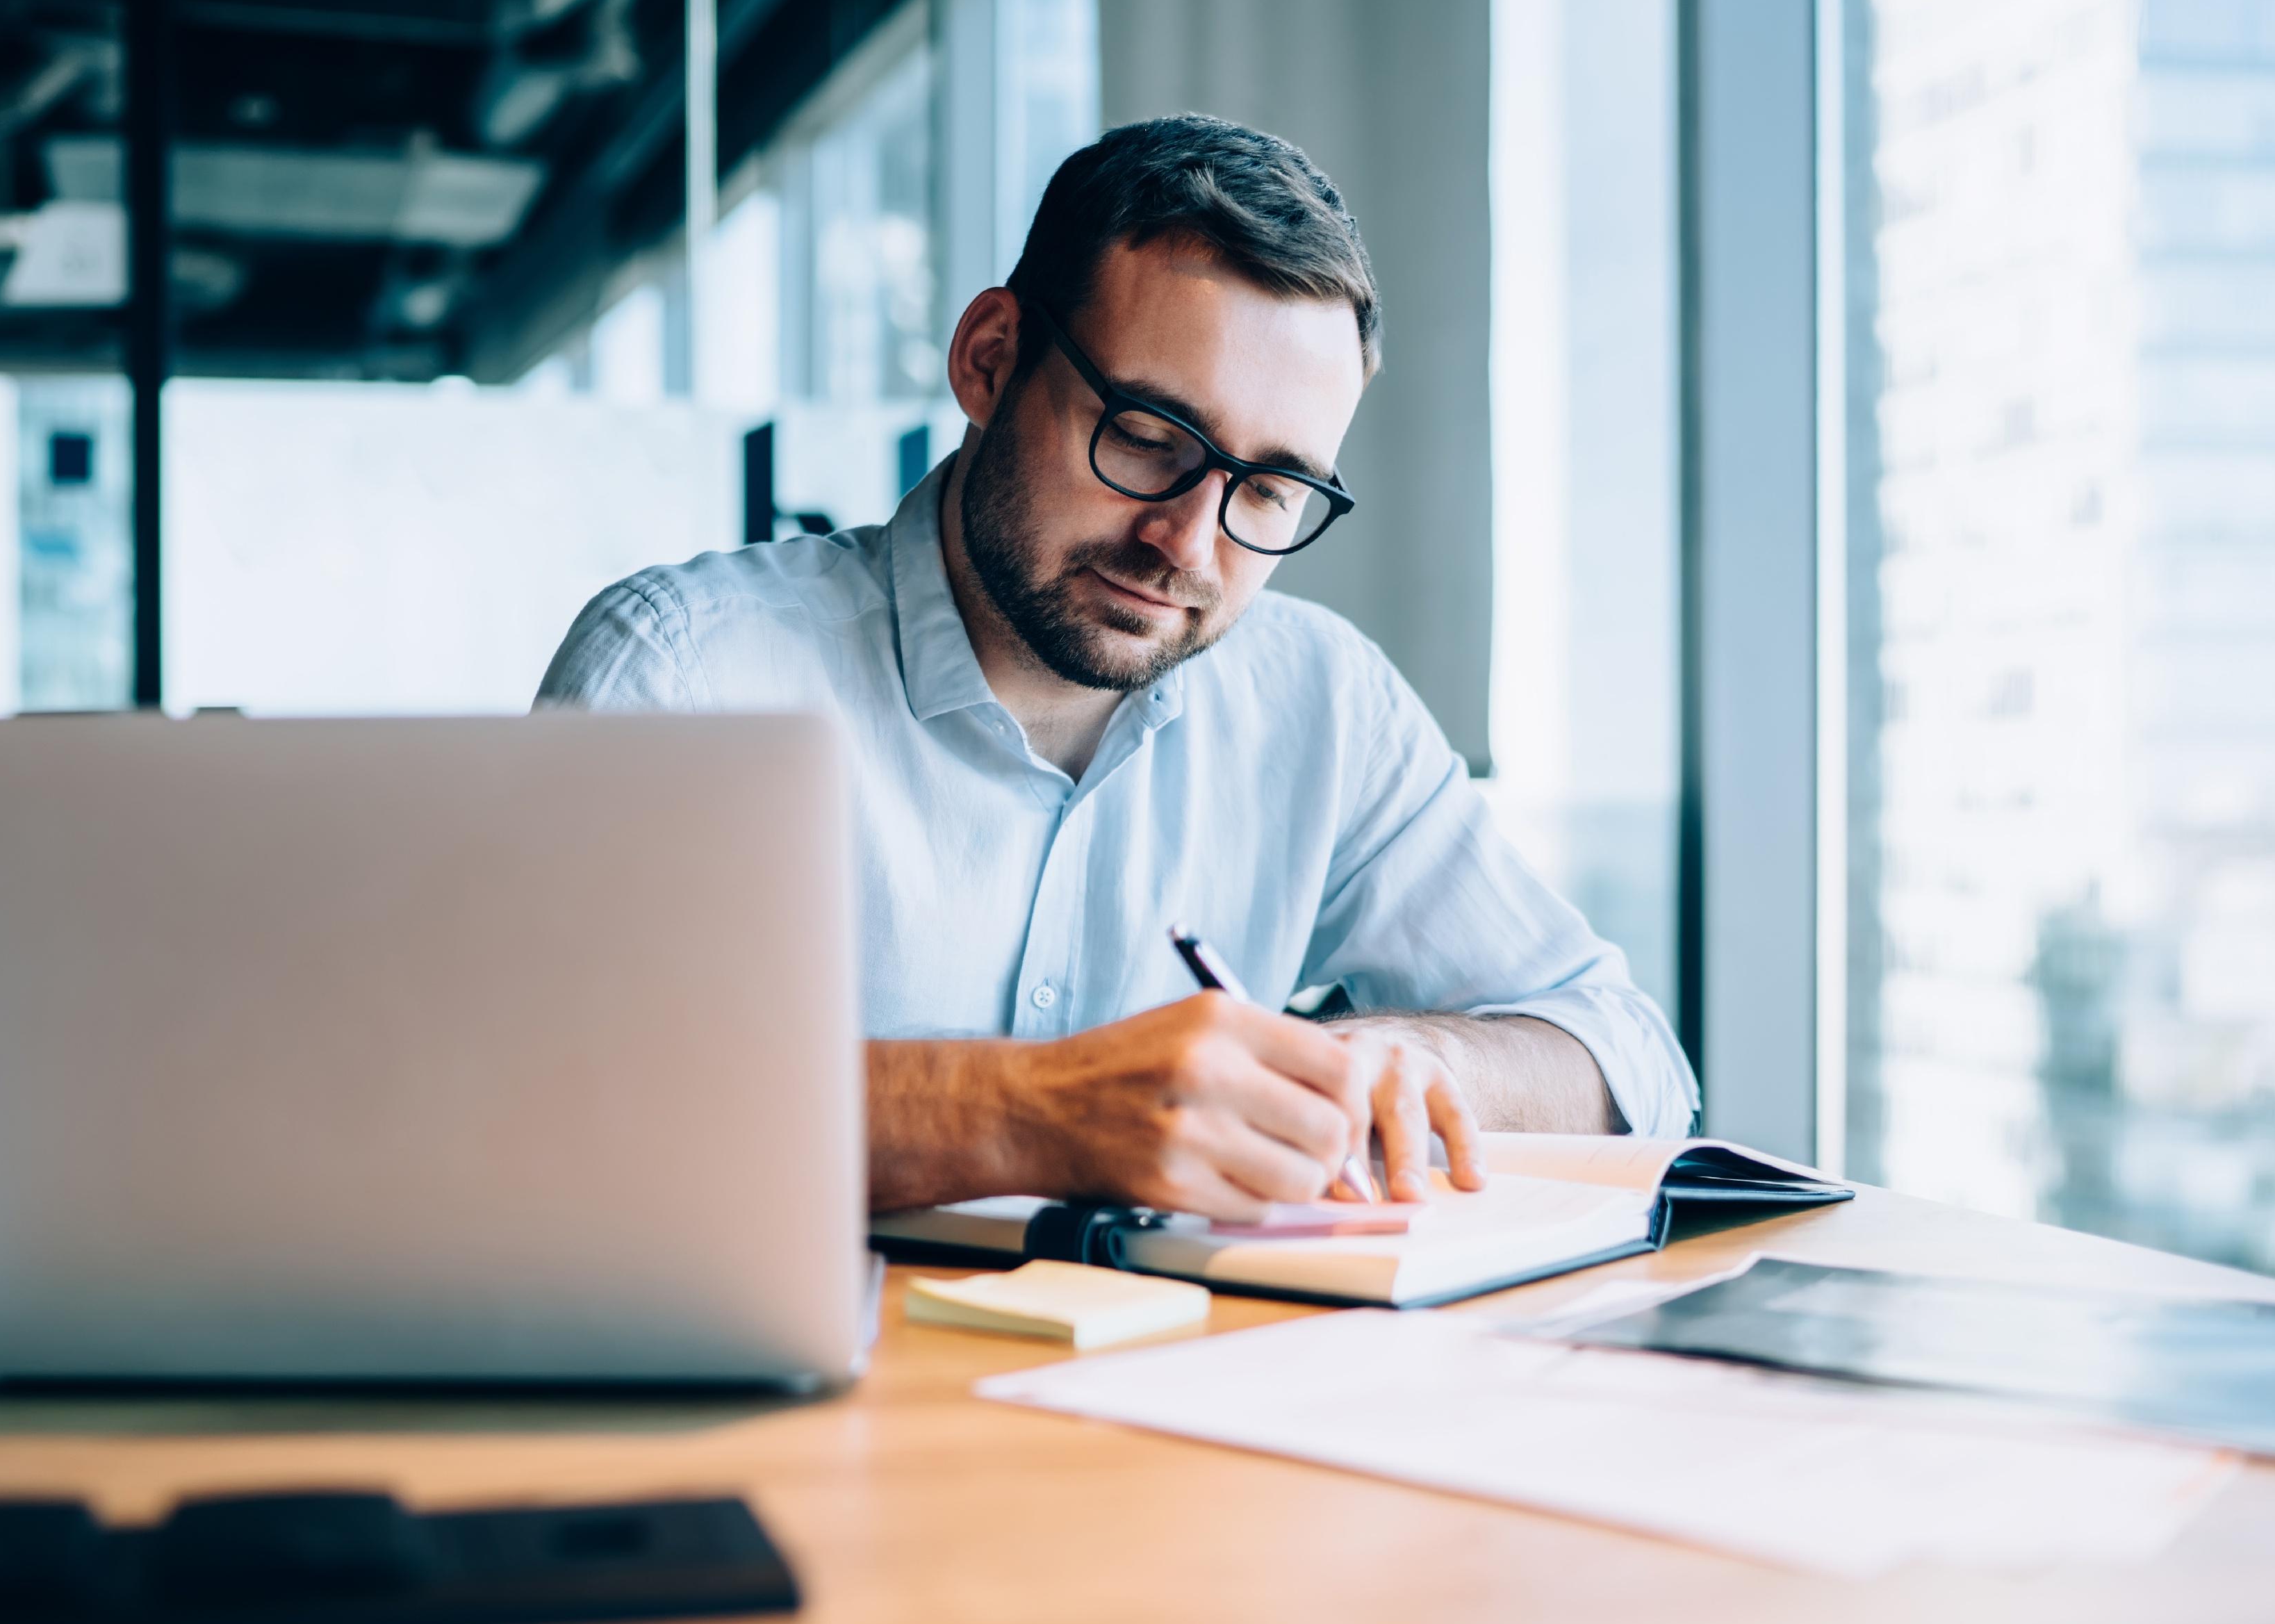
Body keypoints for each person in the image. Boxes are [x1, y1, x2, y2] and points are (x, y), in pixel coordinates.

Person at [539, 115, 1697, 1219]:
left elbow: (1629, 1057)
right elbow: (535, 1098)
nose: (1188, 545)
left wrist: (1409, 1058)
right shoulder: (687, 672)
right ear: (990, 359)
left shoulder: (1322, 701)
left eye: (1268, 490)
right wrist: (1037, 1115)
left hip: (1181, 1402)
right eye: (1146, 439)